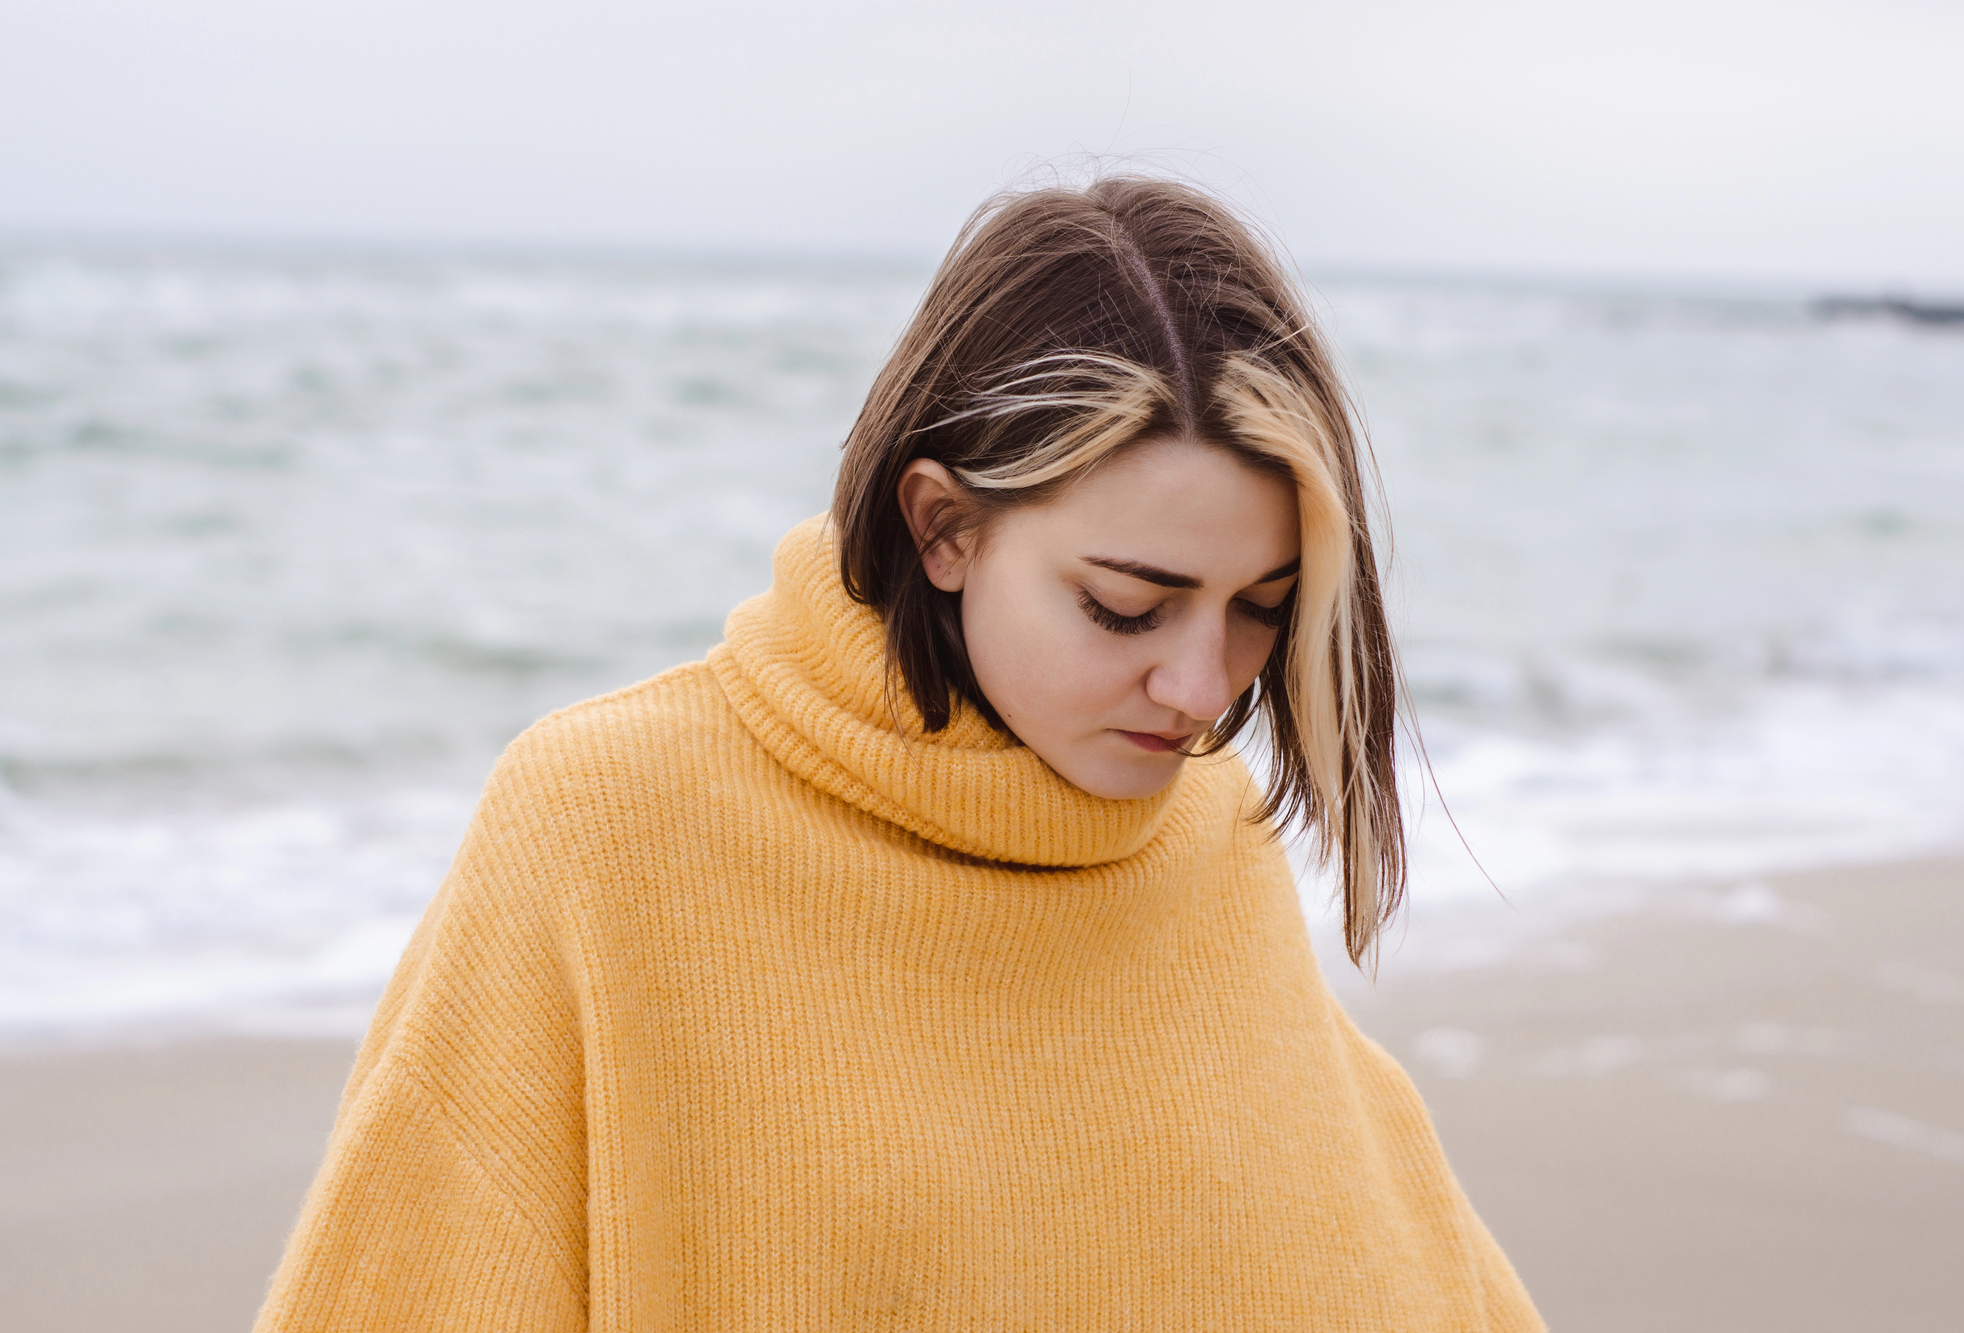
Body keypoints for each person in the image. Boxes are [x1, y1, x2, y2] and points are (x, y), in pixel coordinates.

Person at [255, 177, 1542, 1330]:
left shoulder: (1204, 830)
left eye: (1261, 604)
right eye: (1124, 605)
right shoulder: (605, 821)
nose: (1199, 688)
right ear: (942, 528)